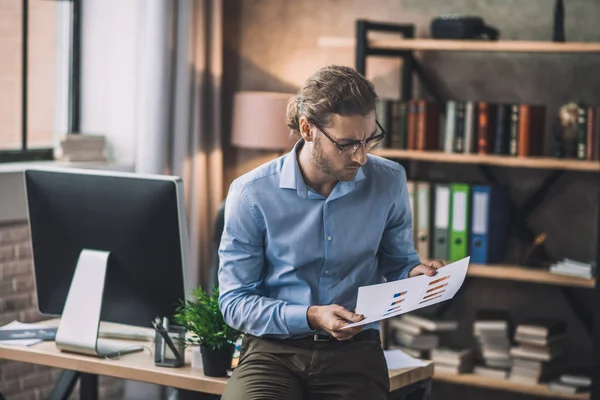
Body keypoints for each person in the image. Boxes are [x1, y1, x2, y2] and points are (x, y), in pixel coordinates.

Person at [218, 65, 444, 400]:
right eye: (348, 143)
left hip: (355, 352)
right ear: (307, 129)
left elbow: (398, 263)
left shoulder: (389, 180)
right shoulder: (251, 194)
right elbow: (234, 303)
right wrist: (310, 316)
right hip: (273, 351)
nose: (362, 156)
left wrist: (416, 273)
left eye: (369, 140)